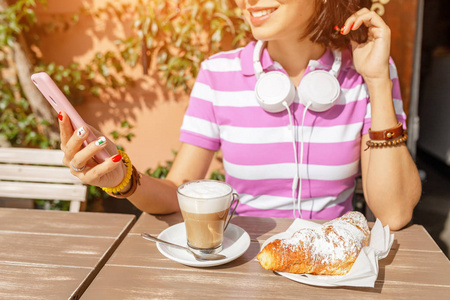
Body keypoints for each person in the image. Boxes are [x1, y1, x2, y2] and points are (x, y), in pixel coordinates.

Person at [59, 0, 421, 230]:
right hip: (246, 258)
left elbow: (395, 214)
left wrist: (375, 79)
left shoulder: (366, 71)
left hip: (331, 266)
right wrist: (123, 176)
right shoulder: (219, 74)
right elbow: (176, 194)